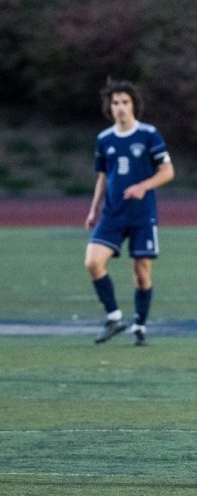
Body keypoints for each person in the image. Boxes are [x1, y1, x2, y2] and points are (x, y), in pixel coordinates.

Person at [85, 80, 175, 346]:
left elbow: (168, 171)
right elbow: (103, 176)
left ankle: (140, 325)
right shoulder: (104, 139)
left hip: (141, 215)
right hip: (112, 214)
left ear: (134, 104)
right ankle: (114, 317)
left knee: (142, 272)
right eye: (115, 103)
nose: (121, 108)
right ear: (109, 107)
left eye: (125, 102)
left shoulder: (149, 134)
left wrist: (142, 186)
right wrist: (93, 210)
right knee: (92, 262)